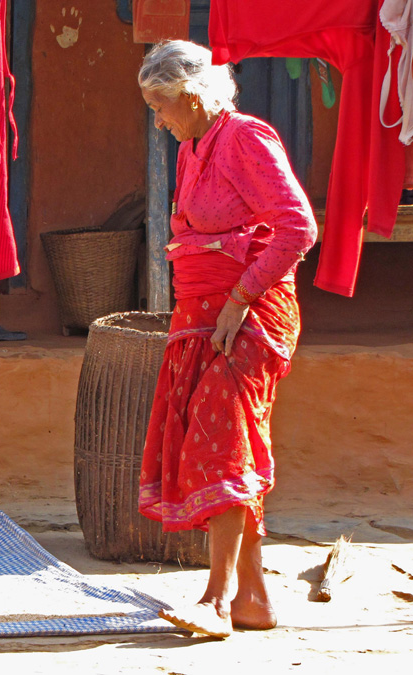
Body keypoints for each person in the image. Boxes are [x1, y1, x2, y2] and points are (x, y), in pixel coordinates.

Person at [136, 40, 318, 639]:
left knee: (224, 442)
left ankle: (215, 601)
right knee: (224, 440)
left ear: (192, 95)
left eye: (161, 107)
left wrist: (238, 303)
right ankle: (254, 600)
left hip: (248, 314)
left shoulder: (246, 138)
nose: (157, 121)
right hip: (205, 315)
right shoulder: (192, 147)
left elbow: (297, 228)